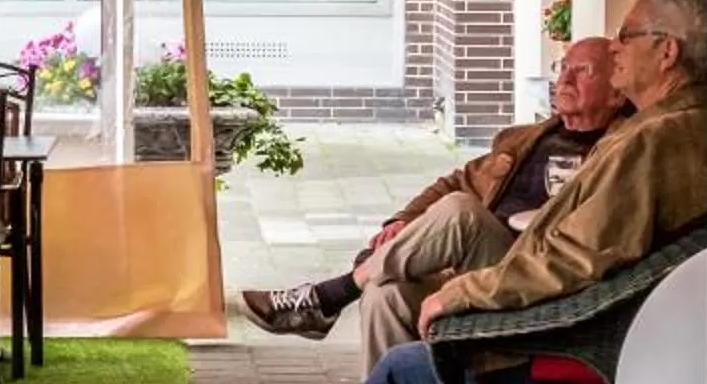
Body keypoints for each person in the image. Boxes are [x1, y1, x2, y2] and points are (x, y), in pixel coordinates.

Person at [229, 0, 707, 384]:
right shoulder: (677, 128)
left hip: (572, 340)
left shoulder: (653, 140)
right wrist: (410, 232)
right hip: (588, 321)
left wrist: (467, 293)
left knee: (410, 371)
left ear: (667, 52)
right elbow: (475, 193)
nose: (614, 50)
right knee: (392, 299)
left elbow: (573, 259)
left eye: (626, 36)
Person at [244, 36, 624, 363]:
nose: (565, 80)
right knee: (385, 294)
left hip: (532, 279)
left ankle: (335, 293)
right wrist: (405, 222)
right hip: (475, 271)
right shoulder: (526, 138)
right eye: (563, 68)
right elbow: (456, 181)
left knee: (463, 212)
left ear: (617, 89)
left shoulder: (620, 150)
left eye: (583, 72)